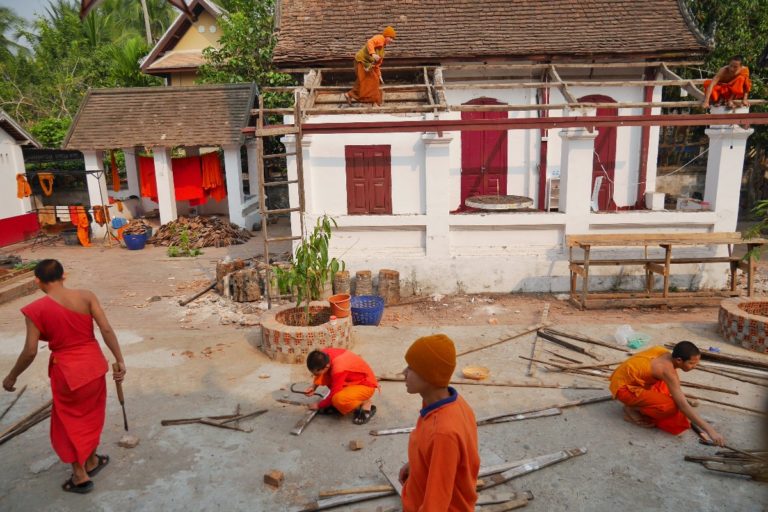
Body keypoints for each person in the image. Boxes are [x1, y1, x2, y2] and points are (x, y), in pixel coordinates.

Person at [2, 259, 126, 494]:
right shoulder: (87, 296)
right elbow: (106, 329)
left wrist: (12, 377)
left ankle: (80, 474)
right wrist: (120, 359)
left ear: (37, 281)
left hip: (67, 373)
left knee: (68, 422)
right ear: (64, 276)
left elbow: (29, 351)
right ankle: (90, 460)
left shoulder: (35, 310)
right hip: (93, 366)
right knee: (90, 415)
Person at [398, 334, 480, 511]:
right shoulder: (451, 402)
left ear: (429, 376)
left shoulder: (443, 433)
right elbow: (432, 451)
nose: (404, 373)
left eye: (411, 368)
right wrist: (415, 464)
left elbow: (436, 503)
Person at [609, 341, 725, 445]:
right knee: (670, 407)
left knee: (668, 387)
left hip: (625, 377)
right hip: (624, 389)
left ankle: (640, 402)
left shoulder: (663, 352)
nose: (695, 367)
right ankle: (632, 409)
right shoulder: (667, 372)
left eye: (696, 363)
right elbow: (683, 406)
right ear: (679, 360)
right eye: (691, 363)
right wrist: (710, 431)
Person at [304, 348, 378, 424]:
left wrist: (318, 405)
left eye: (316, 373)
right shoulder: (323, 355)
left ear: (327, 366)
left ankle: (365, 403)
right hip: (351, 381)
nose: (314, 376)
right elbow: (321, 375)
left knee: (338, 399)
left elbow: (334, 393)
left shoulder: (339, 367)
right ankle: (338, 405)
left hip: (366, 385)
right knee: (326, 376)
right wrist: (313, 387)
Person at [345, 26, 397, 106]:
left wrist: (380, 75)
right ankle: (372, 102)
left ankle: (350, 95)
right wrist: (373, 53)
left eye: (393, 39)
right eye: (390, 38)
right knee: (369, 79)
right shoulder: (380, 38)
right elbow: (370, 42)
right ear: (386, 36)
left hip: (367, 64)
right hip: (361, 60)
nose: (392, 40)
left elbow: (377, 65)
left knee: (369, 80)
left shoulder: (382, 51)